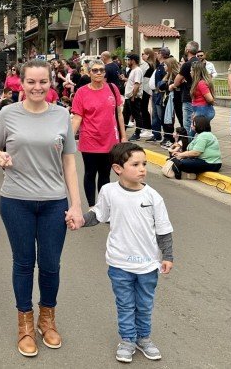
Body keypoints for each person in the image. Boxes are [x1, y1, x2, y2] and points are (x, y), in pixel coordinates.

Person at [0, 59, 83, 357]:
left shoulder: (61, 115)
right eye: (31, 82)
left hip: (54, 201)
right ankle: (25, 324)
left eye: (43, 82)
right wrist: (0, 155)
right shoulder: (8, 113)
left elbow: (69, 161)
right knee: (24, 263)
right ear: (21, 83)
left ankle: (47, 319)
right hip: (16, 201)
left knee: (51, 264)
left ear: (51, 84)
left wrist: (76, 204)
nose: (37, 87)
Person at [69, 142, 174, 363]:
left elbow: (164, 230)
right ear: (118, 168)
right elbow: (98, 214)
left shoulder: (153, 196)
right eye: (135, 164)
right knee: (125, 304)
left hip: (147, 264)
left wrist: (167, 256)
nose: (142, 168)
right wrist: (80, 221)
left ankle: (144, 338)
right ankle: (127, 339)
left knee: (144, 304)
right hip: (119, 263)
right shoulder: (108, 191)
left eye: (144, 164)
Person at [71, 59, 126, 207]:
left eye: (102, 70)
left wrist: (124, 136)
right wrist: (69, 139)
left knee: (105, 174)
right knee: (90, 173)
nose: (99, 73)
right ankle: (92, 206)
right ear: (89, 73)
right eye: (95, 70)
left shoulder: (113, 88)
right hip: (89, 140)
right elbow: (77, 118)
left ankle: (103, 206)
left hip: (110, 140)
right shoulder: (81, 93)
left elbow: (119, 114)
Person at [169, 41, 199, 134]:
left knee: (188, 123)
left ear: (188, 50)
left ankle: (187, 144)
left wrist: (172, 85)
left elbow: (177, 81)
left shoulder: (187, 64)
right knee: (196, 122)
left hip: (188, 95)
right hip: (198, 95)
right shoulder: (200, 62)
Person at [189, 61, 216, 137]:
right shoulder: (199, 82)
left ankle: (189, 147)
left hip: (202, 110)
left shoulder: (201, 83)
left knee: (193, 132)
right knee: (202, 132)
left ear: (196, 72)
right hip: (200, 109)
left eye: (191, 70)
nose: (190, 72)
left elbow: (210, 99)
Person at [123, 54, 144, 142]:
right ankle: (121, 132)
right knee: (125, 115)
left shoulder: (137, 70)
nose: (127, 62)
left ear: (133, 61)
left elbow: (137, 84)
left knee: (136, 115)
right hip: (128, 97)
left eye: (128, 60)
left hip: (133, 97)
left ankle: (137, 133)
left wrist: (133, 96)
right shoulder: (133, 70)